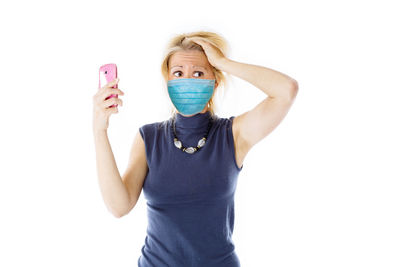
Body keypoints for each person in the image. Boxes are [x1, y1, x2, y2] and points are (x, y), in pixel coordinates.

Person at [92, 31, 298, 267]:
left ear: (215, 82)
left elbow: (286, 90)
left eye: (198, 73)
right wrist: (99, 131)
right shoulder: (148, 138)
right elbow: (119, 206)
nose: (186, 81)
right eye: (178, 73)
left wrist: (223, 62)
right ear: (167, 80)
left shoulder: (232, 135)